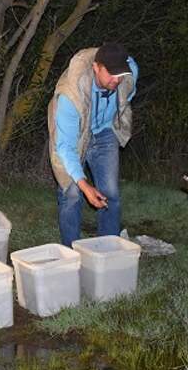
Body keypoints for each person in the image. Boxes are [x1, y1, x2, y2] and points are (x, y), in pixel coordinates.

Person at [48, 43, 139, 247]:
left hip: (105, 132)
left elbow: (127, 95)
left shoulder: (129, 75)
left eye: (120, 74)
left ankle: (108, 250)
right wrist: (84, 185)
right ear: (96, 67)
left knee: (111, 193)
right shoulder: (69, 96)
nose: (116, 80)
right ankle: (70, 251)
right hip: (76, 135)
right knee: (71, 193)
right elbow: (65, 148)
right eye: (111, 74)